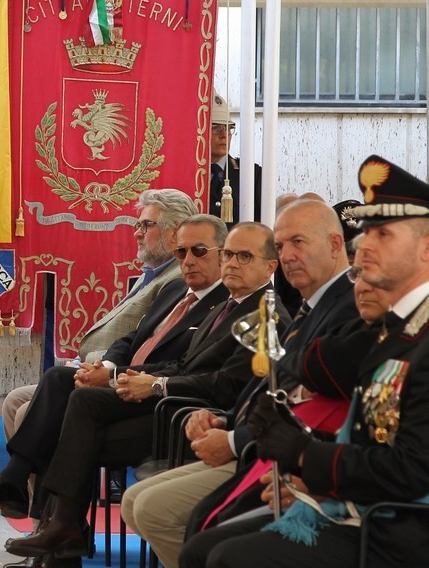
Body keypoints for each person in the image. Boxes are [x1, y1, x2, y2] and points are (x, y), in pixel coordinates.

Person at [183, 155, 429, 568]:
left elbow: (410, 471)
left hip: (397, 529)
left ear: (425, 249)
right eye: (366, 232)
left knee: (227, 557)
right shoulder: (399, 331)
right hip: (365, 506)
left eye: (383, 234)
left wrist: (304, 456)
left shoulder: (416, 337)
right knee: (202, 549)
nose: (364, 245)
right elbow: (375, 441)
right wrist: (299, 457)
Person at [0, 222, 286, 562]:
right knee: (72, 399)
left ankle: (59, 527)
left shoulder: (266, 316)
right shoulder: (227, 306)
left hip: (192, 417)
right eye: (229, 255)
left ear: (271, 265)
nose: (233, 263)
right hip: (170, 401)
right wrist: (128, 377)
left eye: (244, 256)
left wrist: (154, 385)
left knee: (70, 423)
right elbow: (178, 361)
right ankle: (59, 528)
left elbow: (225, 386)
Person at [121, 198, 358, 568]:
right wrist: (225, 420)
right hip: (245, 434)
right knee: (136, 502)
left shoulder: (344, 308)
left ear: (334, 244)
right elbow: (269, 389)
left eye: (298, 242)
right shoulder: (308, 306)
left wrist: (231, 436)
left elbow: (312, 405)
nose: (290, 255)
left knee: (163, 515)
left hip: (287, 458)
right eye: (282, 245)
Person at [0, 213, 229, 520]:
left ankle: (50, 521)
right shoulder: (175, 289)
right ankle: (29, 499)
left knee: (67, 405)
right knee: (59, 380)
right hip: (124, 377)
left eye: (199, 251)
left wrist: (111, 376)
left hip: (159, 399)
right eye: (181, 252)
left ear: (223, 254)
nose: (188, 260)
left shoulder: (223, 304)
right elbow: (131, 337)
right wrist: (107, 364)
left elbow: (182, 366)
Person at [0, 190, 197, 495]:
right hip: (111, 368)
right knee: (15, 401)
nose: (137, 233)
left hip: (141, 387)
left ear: (174, 231)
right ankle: (32, 504)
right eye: (137, 225)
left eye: (146, 226)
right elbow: (133, 336)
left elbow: (153, 348)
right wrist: (100, 363)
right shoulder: (153, 274)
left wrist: (103, 369)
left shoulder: (176, 282)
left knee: (30, 408)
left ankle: (47, 512)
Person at [209, 91, 263, 224]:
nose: (224, 135)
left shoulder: (251, 174)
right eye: (216, 128)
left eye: (228, 128)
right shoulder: (185, 174)